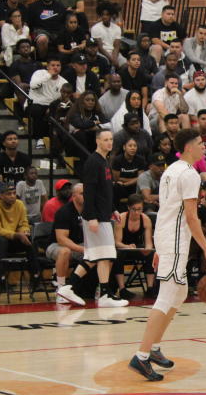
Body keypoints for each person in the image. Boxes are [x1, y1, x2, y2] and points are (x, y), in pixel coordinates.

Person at [130, 128, 206, 382]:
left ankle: (154, 348)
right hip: (175, 240)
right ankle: (141, 356)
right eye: (201, 143)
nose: (204, 147)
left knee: (179, 293)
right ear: (189, 147)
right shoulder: (190, 174)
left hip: (166, 237)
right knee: (167, 296)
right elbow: (191, 217)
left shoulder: (171, 169)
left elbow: (167, 209)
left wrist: (159, 246)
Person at [64, 129, 127, 307]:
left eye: (111, 139)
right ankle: (104, 295)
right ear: (98, 141)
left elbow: (105, 191)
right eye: (105, 140)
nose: (109, 142)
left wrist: (113, 209)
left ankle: (70, 287)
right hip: (96, 217)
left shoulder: (104, 161)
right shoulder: (93, 162)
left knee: (96, 257)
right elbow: (89, 191)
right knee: (104, 255)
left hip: (104, 215)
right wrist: (91, 216)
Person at [0, 184, 39, 293]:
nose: (13, 196)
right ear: (1, 195)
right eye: (9, 194)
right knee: (1, 241)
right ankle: (1, 281)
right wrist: (16, 235)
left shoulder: (19, 204)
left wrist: (24, 232)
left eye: (14, 193)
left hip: (13, 238)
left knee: (31, 242)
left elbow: (24, 223)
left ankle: (36, 280)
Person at [50, 183, 87, 302]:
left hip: (79, 245)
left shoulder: (89, 210)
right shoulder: (64, 212)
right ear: (74, 196)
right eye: (82, 194)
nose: (85, 196)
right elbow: (61, 239)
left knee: (100, 252)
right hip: (56, 245)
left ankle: (101, 289)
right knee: (65, 252)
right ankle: (61, 290)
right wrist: (81, 249)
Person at [113, 194, 155, 297]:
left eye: (139, 209)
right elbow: (116, 242)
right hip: (123, 248)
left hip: (137, 248)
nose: (136, 212)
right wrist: (126, 246)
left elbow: (148, 242)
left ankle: (150, 288)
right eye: (133, 209)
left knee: (151, 254)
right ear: (128, 207)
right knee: (118, 255)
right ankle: (122, 288)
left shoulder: (145, 219)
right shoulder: (122, 218)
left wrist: (148, 249)